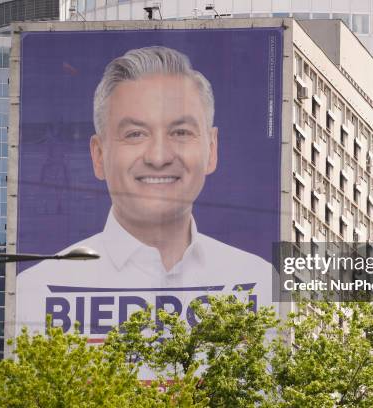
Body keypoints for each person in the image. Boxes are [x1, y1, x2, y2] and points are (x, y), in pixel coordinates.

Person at [16, 46, 274, 338]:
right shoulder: (36, 294)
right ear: (99, 156)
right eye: (135, 134)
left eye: (180, 132)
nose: (159, 156)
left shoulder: (261, 284)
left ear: (211, 149)